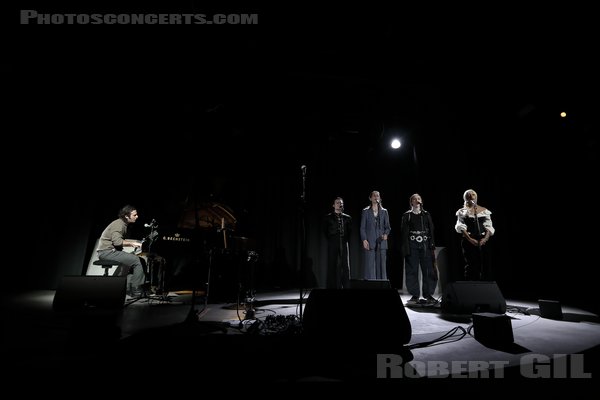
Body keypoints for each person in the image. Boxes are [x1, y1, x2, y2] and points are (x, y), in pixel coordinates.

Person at [97, 204, 146, 297]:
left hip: (110, 252)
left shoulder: (122, 224)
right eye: (134, 215)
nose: (137, 216)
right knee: (137, 260)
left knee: (138, 260)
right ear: (126, 216)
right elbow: (118, 242)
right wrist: (133, 243)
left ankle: (128, 288)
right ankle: (136, 289)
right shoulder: (119, 224)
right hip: (107, 252)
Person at [400, 193, 438, 305]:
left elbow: (431, 229)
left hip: (425, 244)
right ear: (411, 202)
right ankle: (415, 295)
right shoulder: (407, 215)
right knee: (412, 269)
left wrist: (432, 245)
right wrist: (406, 249)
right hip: (412, 244)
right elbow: (404, 233)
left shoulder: (426, 214)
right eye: (415, 199)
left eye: (419, 198)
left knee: (428, 270)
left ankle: (429, 295)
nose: (417, 200)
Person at [455, 189, 495, 280]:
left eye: (473, 194)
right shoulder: (462, 211)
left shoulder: (483, 210)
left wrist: (485, 239)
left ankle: (486, 286)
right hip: (469, 239)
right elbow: (461, 226)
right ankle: (472, 287)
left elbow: (488, 226)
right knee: (471, 264)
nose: (471, 195)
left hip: (483, 239)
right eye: (468, 194)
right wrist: (470, 239)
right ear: (465, 197)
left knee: (485, 263)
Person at [360, 190, 391, 280]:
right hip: (370, 241)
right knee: (370, 266)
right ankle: (371, 286)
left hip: (382, 242)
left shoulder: (384, 211)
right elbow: (362, 227)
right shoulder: (365, 211)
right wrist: (364, 239)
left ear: (380, 198)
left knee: (382, 266)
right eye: (374, 195)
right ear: (370, 198)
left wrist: (386, 234)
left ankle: (382, 286)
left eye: (377, 196)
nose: (376, 197)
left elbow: (388, 227)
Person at [323, 197, 352, 289]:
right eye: (338, 203)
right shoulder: (328, 217)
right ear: (333, 205)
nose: (340, 204)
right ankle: (332, 287)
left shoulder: (347, 218)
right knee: (332, 264)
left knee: (345, 265)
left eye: (341, 203)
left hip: (343, 241)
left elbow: (350, 232)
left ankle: (346, 286)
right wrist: (332, 239)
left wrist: (345, 239)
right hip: (333, 241)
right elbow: (325, 231)